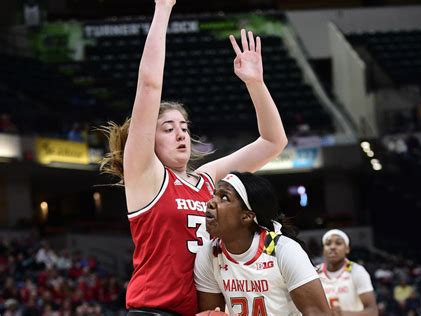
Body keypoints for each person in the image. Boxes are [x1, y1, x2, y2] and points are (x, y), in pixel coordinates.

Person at [99, 0, 288, 315]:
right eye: (168, 128)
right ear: (149, 140)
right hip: (154, 310)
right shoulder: (146, 176)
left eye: (184, 127)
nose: (181, 134)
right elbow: (149, 85)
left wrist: (255, 84)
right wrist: (163, 8)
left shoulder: (207, 181)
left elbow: (272, 141)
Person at [194, 172, 331, 316]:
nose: (211, 202)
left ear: (246, 216)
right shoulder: (208, 254)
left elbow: (318, 312)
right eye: (214, 195)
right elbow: (211, 312)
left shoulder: (284, 249)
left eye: (224, 197)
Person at [316, 229, 378, 316]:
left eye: (338, 243)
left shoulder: (357, 271)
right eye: (328, 243)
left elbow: (372, 312)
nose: (332, 247)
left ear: (347, 249)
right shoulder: (315, 273)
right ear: (323, 249)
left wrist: (341, 314)